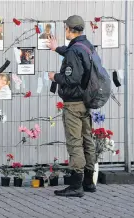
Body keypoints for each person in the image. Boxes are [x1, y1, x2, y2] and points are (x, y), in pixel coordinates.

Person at [46, 15, 96, 197]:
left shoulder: (74, 51)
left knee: (75, 143)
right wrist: (56, 49)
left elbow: (72, 78)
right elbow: (75, 57)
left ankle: (76, 186)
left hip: (73, 104)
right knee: (87, 141)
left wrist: (54, 77)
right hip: (85, 102)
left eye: (65, 28)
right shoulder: (86, 46)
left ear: (68, 29)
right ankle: (89, 182)